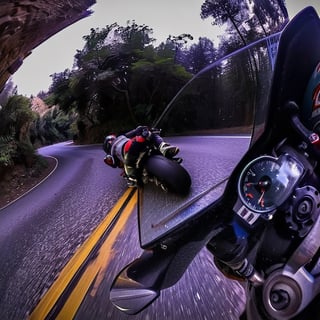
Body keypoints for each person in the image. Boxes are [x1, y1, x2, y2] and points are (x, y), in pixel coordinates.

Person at [103, 126, 179, 187]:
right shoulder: (122, 137)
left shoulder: (111, 153)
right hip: (135, 144)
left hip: (129, 156)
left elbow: (116, 164)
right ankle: (163, 147)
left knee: (134, 179)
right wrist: (147, 130)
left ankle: (154, 179)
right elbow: (136, 130)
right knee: (151, 136)